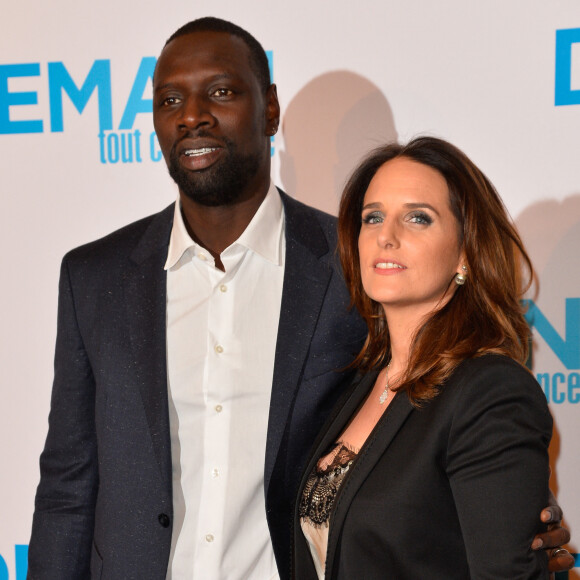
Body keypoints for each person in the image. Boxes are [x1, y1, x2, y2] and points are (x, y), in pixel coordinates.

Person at [27, 17, 572, 580]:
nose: (192, 115)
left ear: (270, 109)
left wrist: (510, 519)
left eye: (220, 91)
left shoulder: (354, 270)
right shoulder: (95, 279)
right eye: (169, 99)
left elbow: (442, 434)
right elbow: (69, 485)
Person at [294, 136, 569, 579]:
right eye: (373, 217)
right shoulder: (363, 383)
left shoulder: (490, 391)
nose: (386, 235)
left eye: (418, 218)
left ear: (464, 252)